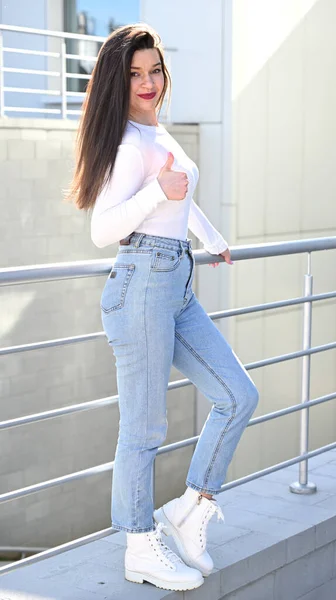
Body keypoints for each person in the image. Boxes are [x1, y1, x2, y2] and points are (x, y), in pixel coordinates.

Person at [68, 22, 259, 592]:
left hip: (175, 281)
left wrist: (213, 240)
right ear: (115, 82)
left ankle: (189, 511)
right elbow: (104, 229)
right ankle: (138, 546)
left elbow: (182, 198)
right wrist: (158, 193)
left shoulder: (158, 133)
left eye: (153, 70)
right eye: (133, 74)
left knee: (237, 395)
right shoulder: (128, 143)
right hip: (141, 285)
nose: (147, 82)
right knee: (145, 428)